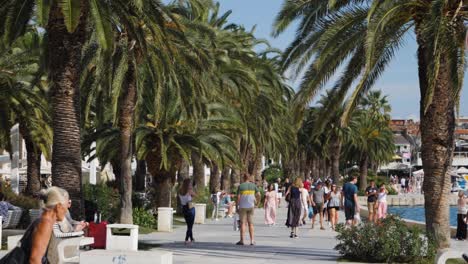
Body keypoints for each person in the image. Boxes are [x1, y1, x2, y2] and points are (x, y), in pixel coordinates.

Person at [16, 187, 69, 264]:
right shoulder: (45, 223)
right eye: (66, 205)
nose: (67, 210)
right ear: (58, 206)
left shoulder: (45, 221)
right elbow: (34, 260)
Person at [236, 174, 260, 246]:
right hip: (251, 206)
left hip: (242, 207)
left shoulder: (241, 186)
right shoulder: (253, 186)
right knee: (251, 223)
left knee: (243, 223)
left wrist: (237, 206)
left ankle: (242, 240)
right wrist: (257, 203)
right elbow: (259, 194)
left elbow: (238, 197)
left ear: (243, 178)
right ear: (249, 178)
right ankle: (252, 240)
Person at [179, 179, 196, 245]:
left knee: (189, 225)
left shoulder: (180, 190)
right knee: (190, 226)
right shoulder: (190, 190)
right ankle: (186, 240)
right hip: (190, 208)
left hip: (184, 208)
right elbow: (196, 196)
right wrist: (192, 190)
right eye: (190, 183)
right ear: (188, 183)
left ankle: (191, 238)